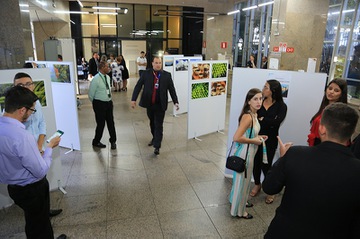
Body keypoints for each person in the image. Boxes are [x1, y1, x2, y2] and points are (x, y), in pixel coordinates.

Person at [263, 102, 360, 239]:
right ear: (351, 132)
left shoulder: (295, 154)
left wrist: (283, 159)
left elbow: (269, 187)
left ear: (322, 129)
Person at [0, 86, 66, 239]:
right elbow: (40, 170)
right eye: (32, 110)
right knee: (40, 225)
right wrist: (49, 147)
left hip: (14, 188)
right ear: (22, 110)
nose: (32, 114)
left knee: (33, 221)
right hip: (32, 189)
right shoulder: (22, 136)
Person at [13, 72, 63, 217]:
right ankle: (40, 215)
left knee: (42, 184)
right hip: (26, 154)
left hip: (38, 149)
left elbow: (41, 123)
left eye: (29, 84)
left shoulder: (36, 102)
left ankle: (45, 211)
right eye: (21, 85)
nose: (26, 87)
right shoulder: (13, 110)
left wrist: (40, 145)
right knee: (33, 192)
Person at [229, 88, 267, 219]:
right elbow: (236, 137)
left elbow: (248, 134)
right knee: (242, 182)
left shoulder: (254, 114)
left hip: (250, 152)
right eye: (255, 99)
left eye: (260, 98)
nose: (259, 101)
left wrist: (259, 137)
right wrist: (255, 141)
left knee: (244, 181)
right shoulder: (247, 117)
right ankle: (239, 211)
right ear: (248, 101)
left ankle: (242, 202)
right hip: (245, 153)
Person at [131, 56, 179, 155]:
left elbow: (172, 89)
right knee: (152, 123)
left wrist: (176, 101)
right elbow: (138, 86)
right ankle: (154, 138)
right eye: (156, 63)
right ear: (152, 63)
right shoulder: (146, 74)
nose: (158, 65)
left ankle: (157, 146)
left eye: (159, 63)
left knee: (159, 125)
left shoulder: (166, 75)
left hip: (160, 104)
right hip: (150, 104)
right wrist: (133, 99)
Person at [250, 80, 287, 204]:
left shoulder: (281, 106)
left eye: (266, 87)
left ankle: (271, 190)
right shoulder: (259, 101)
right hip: (256, 138)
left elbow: (276, 122)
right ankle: (257, 184)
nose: (263, 89)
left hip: (270, 140)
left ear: (273, 91)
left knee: (267, 165)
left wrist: (262, 119)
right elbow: (252, 118)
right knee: (255, 163)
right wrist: (267, 120)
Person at [308, 78, 348, 146]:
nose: (331, 92)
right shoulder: (323, 107)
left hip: (329, 146)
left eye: (336, 90)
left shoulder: (341, 113)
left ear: (341, 94)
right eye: (330, 88)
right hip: (316, 144)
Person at [88, 61, 117, 150]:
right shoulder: (96, 79)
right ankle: (96, 141)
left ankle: (113, 141)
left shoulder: (108, 77)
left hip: (108, 103)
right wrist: (96, 104)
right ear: (101, 68)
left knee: (111, 123)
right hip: (99, 104)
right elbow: (91, 94)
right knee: (101, 124)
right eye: (107, 66)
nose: (108, 68)